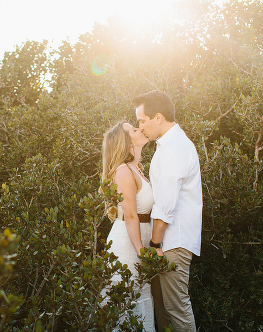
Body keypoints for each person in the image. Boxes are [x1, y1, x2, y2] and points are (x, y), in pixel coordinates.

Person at [134, 90, 201, 332]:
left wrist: (155, 244)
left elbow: (166, 204)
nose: (140, 127)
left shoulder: (176, 147)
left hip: (173, 242)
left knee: (177, 308)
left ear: (158, 117)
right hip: (167, 241)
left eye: (143, 121)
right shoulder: (168, 145)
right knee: (162, 309)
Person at [100, 121, 155, 332]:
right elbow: (131, 216)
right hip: (128, 245)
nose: (139, 129)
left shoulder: (137, 168)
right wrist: (142, 253)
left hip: (140, 239)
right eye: (133, 129)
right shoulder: (124, 171)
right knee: (128, 303)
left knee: (139, 300)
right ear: (127, 142)